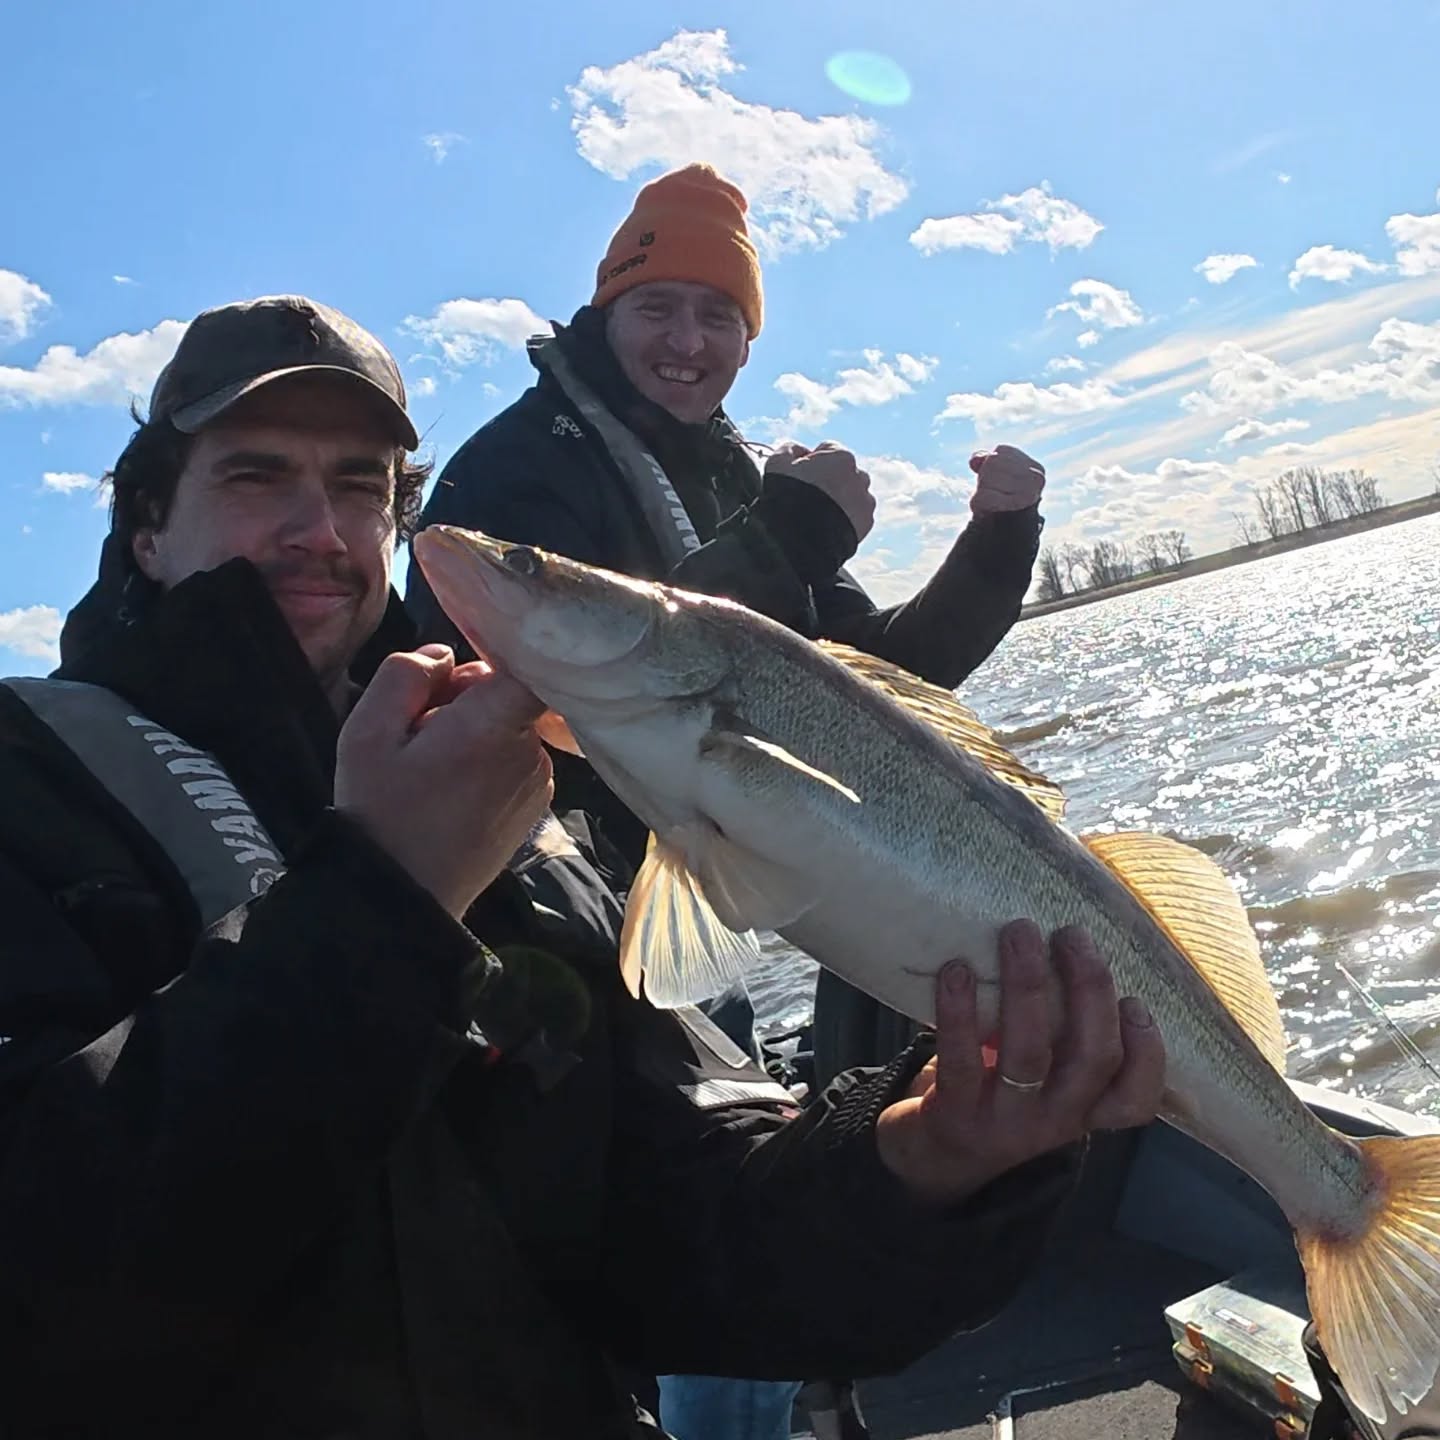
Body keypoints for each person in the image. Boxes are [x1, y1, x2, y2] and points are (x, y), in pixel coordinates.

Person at [0, 294, 1166, 1440]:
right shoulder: (32, 783)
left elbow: (688, 1241)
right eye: (256, 476)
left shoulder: (504, 802)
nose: (321, 529)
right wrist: (387, 897)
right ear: (147, 527)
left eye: (361, 487)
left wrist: (928, 1158)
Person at [403, 163, 1048, 1437]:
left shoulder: (731, 471)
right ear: (606, 311)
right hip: (568, 930)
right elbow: (551, 666)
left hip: (706, 884)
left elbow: (885, 684)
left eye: (721, 316)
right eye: (660, 308)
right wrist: (791, 533)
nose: (689, 342)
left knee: (759, 1205)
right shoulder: (518, 473)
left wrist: (1000, 536)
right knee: (694, 1233)